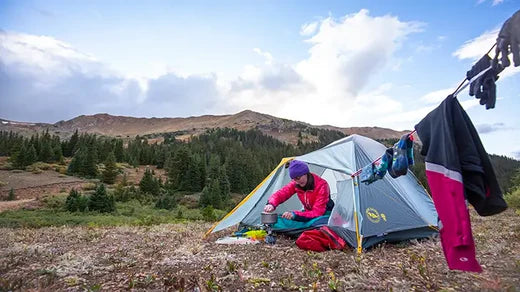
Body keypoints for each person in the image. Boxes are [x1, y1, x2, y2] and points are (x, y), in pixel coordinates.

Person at [263, 160, 334, 222]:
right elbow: (282, 193)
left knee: (316, 224)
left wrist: (295, 215)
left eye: (298, 178)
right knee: (282, 220)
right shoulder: (296, 183)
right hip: (308, 213)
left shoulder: (322, 185)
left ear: (306, 173)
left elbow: (318, 212)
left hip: (325, 214)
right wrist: (271, 204)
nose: (297, 182)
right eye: (294, 179)